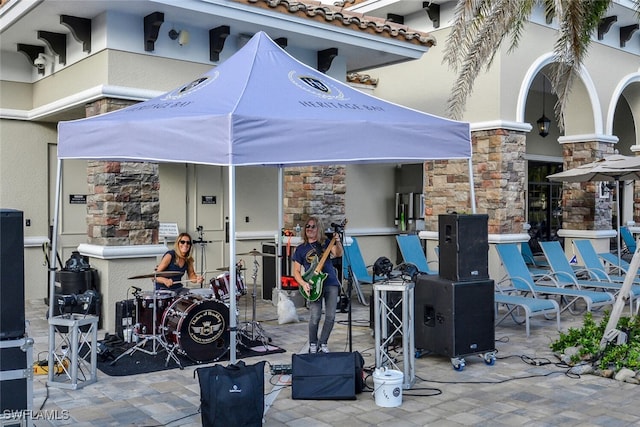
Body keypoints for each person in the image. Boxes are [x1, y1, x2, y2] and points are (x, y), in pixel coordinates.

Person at [292, 217, 343, 353]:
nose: (309, 228)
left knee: (331, 316)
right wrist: (303, 284)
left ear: (318, 228)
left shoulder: (325, 243)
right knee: (315, 316)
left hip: (330, 282)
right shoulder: (301, 249)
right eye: (307, 226)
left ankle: (323, 343)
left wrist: (337, 241)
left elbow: (338, 253)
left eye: (313, 226)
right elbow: (296, 271)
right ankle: (313, 344)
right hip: (313, 285)